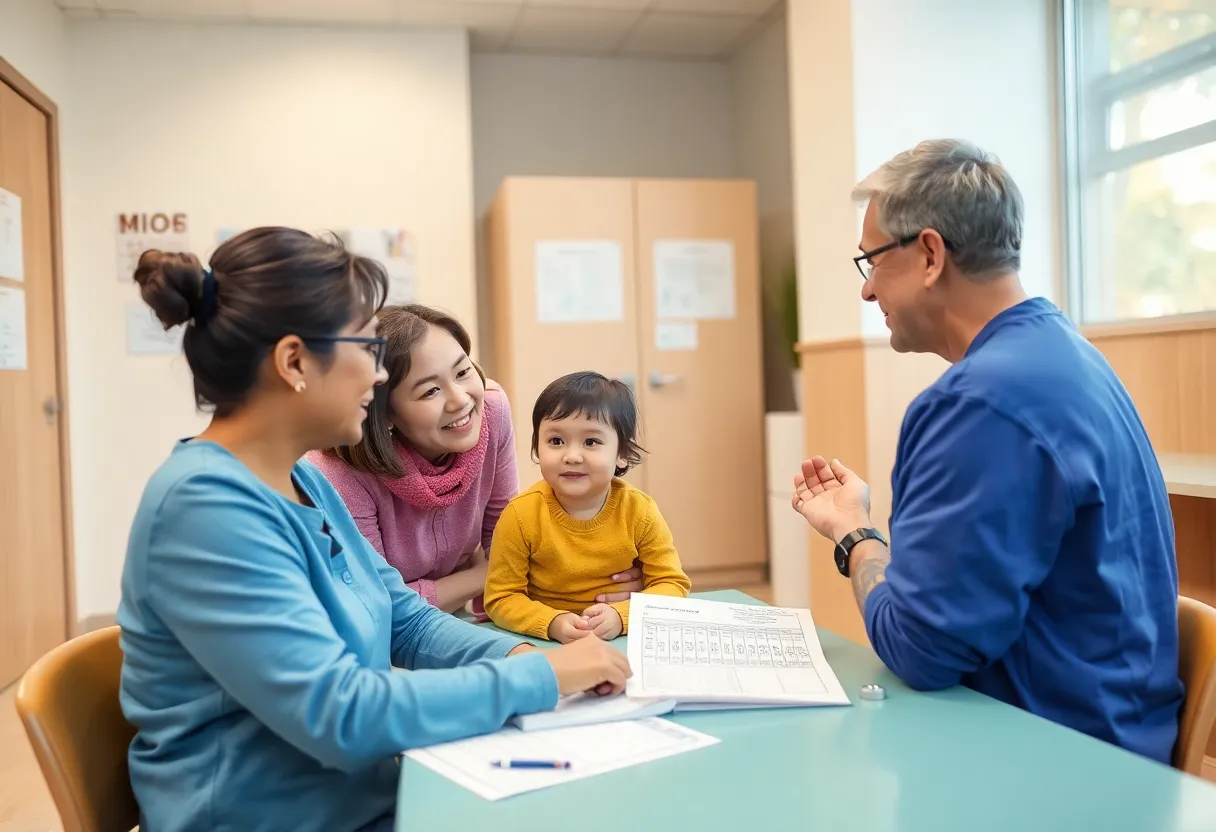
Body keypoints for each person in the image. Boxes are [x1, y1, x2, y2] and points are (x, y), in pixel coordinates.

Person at [118, 227, 631, 832]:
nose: (380, 377)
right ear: (294, 363)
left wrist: (520, 649)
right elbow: (342, 715)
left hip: (363, 794)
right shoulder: (204, 511)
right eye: (365, 347)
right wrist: (538, 675)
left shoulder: (296, 481)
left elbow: (403, 618)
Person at [790, 139, 1183, 764]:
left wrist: (853, 534)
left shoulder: (980, 402)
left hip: (1051, 762)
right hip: (1121, 735)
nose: (866, 294)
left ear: (928, 254)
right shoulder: (1069, 358)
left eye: (872, 262)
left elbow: (920, 652)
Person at [308, 304, 644, 618]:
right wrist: (488, 575)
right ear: (385, 414)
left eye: (462, 371)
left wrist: (600, 580)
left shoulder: (491, 410)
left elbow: (503, 529)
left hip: (448, 619)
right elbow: (378, 603)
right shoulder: (339, 469)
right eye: (429, 391)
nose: (460, 400)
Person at [484, 371, 691, 643]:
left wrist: (622, 616)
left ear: (621, 454)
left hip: (623, 638)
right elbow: (501, 598)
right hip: (542, 641)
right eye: (555, 441)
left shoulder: (639, 511)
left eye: (591, 442)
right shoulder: (520, 515)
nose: (571, 456)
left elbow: (672, 584)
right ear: (537, 448)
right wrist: (551, 622)